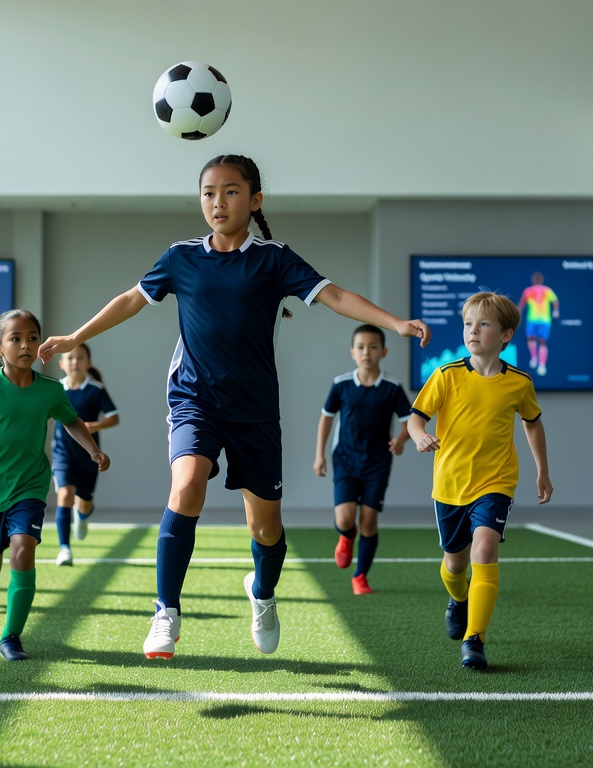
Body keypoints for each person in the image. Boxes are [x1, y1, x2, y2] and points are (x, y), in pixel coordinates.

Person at [39, 154, 430, 660]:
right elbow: (132, 300)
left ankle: (263, 594)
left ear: (255, 199)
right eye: (208, 192)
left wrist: (394, 323)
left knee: (265, 527)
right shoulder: (181, 256)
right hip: (194, 398)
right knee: (186, 486)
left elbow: (334, 295)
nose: (217, 202)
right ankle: (166, 611)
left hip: (255, 411)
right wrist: (75, 336)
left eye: (230, 191)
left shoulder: (273, 258)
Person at [0, 309, 108, 662]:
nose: (25, 345)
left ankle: (11, 637)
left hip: (30, 487)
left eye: (32, 337)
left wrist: (93, 450)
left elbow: (73, 421)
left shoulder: (50, 390)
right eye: (15, 338)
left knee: (23, 549)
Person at [408, 292, 551, 670]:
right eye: (468, 324)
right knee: (455, 565)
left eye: (483, 324)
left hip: (496, 482)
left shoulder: (519, 382)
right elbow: (415, 417)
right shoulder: (446, 375)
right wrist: (420, 435)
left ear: (505, 335)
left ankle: (475, 639)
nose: (473, 331)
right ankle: (458, 599)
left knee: (484, 550)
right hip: (450, 484)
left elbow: (533, 425)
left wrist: (543, 472)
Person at [313, 324, 411, 595]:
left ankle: (360, 577)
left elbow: (409, 421)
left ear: (384, 351)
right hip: (345, 459)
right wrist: (319, 454)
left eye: (373, 347)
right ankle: (346, 536)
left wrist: (402, 440)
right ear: (352, 352)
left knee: (368, 520)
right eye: (360, 347)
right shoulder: (341, 384)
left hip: (378, 462)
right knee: (345, 519)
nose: (366, 352)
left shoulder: (392, 388)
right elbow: (326, 418)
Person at [52, 343, 119, 566]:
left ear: (88, 363)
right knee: (64, 495)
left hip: (89, 456)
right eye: (70, 358)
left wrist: (94, 426)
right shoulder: (55, 389)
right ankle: (64, 549)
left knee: (85, 501)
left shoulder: (96, 389)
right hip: (63, 454)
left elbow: (113, 417)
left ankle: (82, 516)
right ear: (61, 364)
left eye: (80, 358)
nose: (75, 362)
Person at [517, 272, 559, 376]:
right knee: (531, 339)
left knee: (542, 342)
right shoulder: (528, 291)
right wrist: (517, 314)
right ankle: (534, 357)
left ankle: (542, 365)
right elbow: (521, 304)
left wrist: (555, 310)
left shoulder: (547, 290)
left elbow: (555, 301)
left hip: (544, 319)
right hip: (532, 319)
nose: (537, 280)